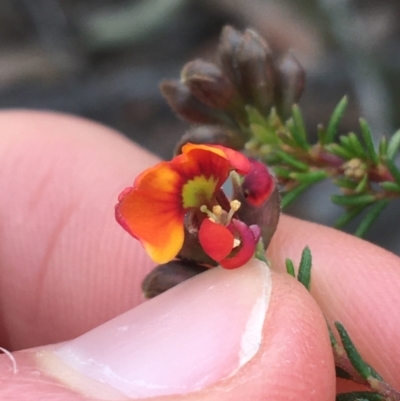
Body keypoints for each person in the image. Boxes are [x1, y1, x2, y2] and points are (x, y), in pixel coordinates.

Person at [0, 110, 399, 400]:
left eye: (218, 204)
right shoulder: (186, 217)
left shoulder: (218, 186)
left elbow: (254, 180)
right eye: (208, 210)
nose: (219, 211)